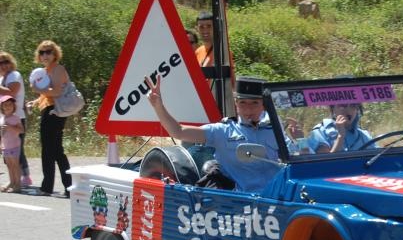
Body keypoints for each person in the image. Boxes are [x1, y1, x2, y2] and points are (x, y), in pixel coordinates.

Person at [146, 74, 289, 192]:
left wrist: (298, 138)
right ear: (236, 104)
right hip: (240, 201)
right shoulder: (223, 131)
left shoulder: (275, 129)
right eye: (243, 103)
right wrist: (158, 106)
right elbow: (178, 131)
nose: (248, 109)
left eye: (254, 103)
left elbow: (293, 158)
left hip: (277, 197)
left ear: (264, 104)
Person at [28, 40, 71, 197]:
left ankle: (47, 188)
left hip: (54, 112)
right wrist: (35, 101)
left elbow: (57, 92)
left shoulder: (57, 69)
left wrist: (37, 89)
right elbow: (47, 94)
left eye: (48, 52)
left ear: (55, 54)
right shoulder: (46, 71)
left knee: (49, 151)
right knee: (56, 150)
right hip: (50, 110)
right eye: (42, 52)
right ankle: (69, 187)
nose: (45, 55)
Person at [0, 51, 32, 187]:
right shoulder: (2, 79)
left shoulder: (14, 75)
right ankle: (14, 180)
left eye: (6, 61)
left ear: (11, 62)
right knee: (7, 150)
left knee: (16, 150)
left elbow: (12, 93)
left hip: (16, 118)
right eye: (0, 63)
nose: (4, 65)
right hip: (4, 118)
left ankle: (23, 178)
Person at [307, 103, 376, 153]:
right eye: (343, 105)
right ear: (333, 108)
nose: (348, 110)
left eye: (353, 105)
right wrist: (340, 136)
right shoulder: (320, 132)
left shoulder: (364, 135)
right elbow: (324, 164)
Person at [0, 95, 23, 193]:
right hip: (5, 146)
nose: (8, 106)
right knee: (9, 165)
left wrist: (10, 127)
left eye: (10, 104)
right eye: (5, 105)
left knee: (15, 165)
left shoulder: (16, 118)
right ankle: (12, 182)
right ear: (1, 107)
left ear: (14, 106)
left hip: (14, 145)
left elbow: (21, 130)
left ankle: (17, 184)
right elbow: (2, 134)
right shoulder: (2, 118)